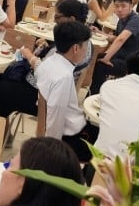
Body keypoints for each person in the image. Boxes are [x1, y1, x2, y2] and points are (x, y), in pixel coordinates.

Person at [0, 0, 91, 120]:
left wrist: (29, 55)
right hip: (47, 91)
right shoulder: (79, 37)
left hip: (42, 96)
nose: (54, 20)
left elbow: (47, 72)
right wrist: (48, 48)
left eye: (57, 17)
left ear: (71, 19)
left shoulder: (74, 42)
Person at [35, 21, 98, 161]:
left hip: (66, 131)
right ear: (76, 48)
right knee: (109, 147)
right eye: (86, 46)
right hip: (70, 139)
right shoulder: (63, 77)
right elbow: (55, 118)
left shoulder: (48, 62)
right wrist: (51, 152)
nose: (86, 51)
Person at [90, 0, 139, 94]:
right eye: (117, 6)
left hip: (132, 63)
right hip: (121, 57)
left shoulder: (136, 20)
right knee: (97, 58)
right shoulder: (121, 20)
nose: (119, 9)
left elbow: (121, 39)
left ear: (131, 6)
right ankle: (97, 93)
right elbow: (116, 38)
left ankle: (95, 95)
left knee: (101, 65)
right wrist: (100, 32)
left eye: (123, 6)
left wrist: (107, 58)